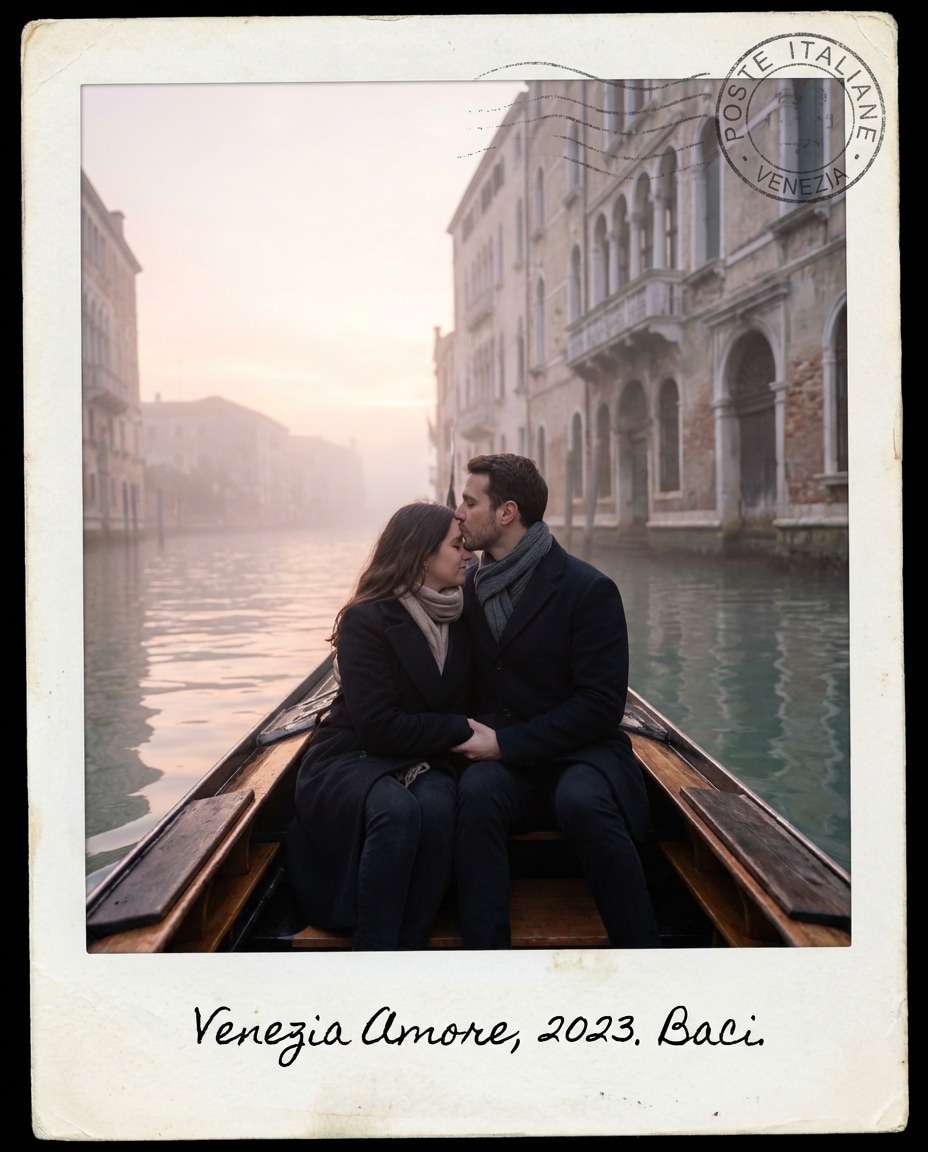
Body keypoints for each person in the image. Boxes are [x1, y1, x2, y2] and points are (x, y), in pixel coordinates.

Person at [452, 454, 660, 949]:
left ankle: (645, 955)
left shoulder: (589, 590)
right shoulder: (467, 591)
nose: (458, 513)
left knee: (582, 800)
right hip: (504, 767)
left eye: (468, 502)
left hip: (580, 753)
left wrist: (505, 744)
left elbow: (600, 707)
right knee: (477, 794)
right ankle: (486, 963)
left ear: (506, 512)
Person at [287, 502, 474, 950]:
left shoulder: (465, 617)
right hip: (352, 755)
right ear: (422, 554)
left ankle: (406, 951)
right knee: (397, 811)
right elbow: (378, 727)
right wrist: (461, 728)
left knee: (438, 806)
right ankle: (372, 954)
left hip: (424, 757)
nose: (468, 553)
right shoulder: (367, 619)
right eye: (457, 544)